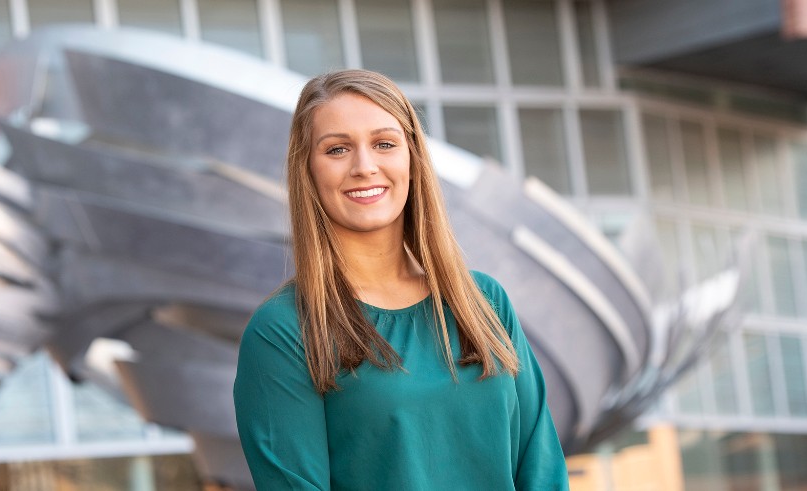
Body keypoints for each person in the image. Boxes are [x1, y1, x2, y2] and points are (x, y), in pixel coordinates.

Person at [232, 69, 568, 490]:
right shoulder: (284, 331)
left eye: (384, 144)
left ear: (412, 158)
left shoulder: (484, 301)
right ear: (309, 170)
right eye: (337, 149)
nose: (364, 166)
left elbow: (542, 470)